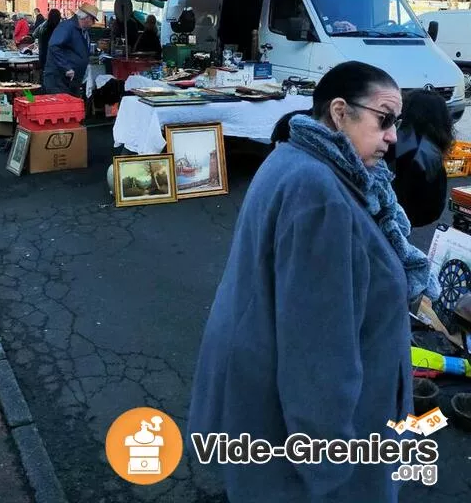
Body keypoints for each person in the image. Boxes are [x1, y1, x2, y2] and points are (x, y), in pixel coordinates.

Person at [188, 61, 439, 503]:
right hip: (304, 438)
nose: (393, 136)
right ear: (339, 113)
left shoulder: (301, 159)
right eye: (384, 119)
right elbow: (320, 350)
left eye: (396, 122)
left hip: (268, 400)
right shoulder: (321, 192)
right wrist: (328, 455)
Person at [387, 88, 454, 228]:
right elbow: (433, 207)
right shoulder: (430, 152)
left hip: (380, 211)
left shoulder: (390, 137)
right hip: (405, 219)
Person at [43, 3, 98, 96]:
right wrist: (66, 68)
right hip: (59, 79)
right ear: (87, 18)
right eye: (93, 20)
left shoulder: (82, 30)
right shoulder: (67, 27)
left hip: (71, 80)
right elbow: (54, 45)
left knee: (71, 106)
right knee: (62, 107)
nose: (93, 23)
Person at [36, 8, 62, 72]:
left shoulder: (43, 27)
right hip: (54, 59)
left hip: (43, 56)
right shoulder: (58, 29)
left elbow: (35, 35)